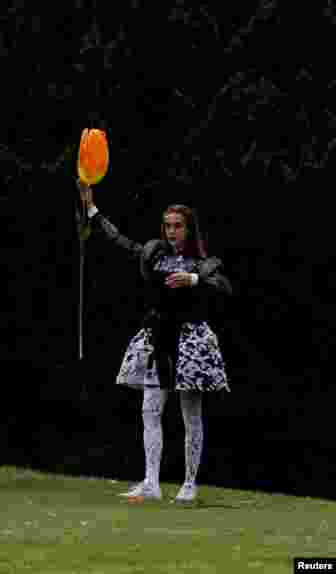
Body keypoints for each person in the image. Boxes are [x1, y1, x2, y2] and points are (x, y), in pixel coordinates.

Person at [77, 179, 232, 503]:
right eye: (167, 226)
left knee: (191, 414)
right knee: (150, 410)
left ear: (189, 229)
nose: (171, 231)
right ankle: (151, 482)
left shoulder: (204, 262)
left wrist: (194, 279)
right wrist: (91, 208)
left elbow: (223, 286)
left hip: (189, 341)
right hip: (158, 338)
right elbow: (122, 242)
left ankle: (189, 483)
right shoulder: (154, 254)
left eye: (177, 226)